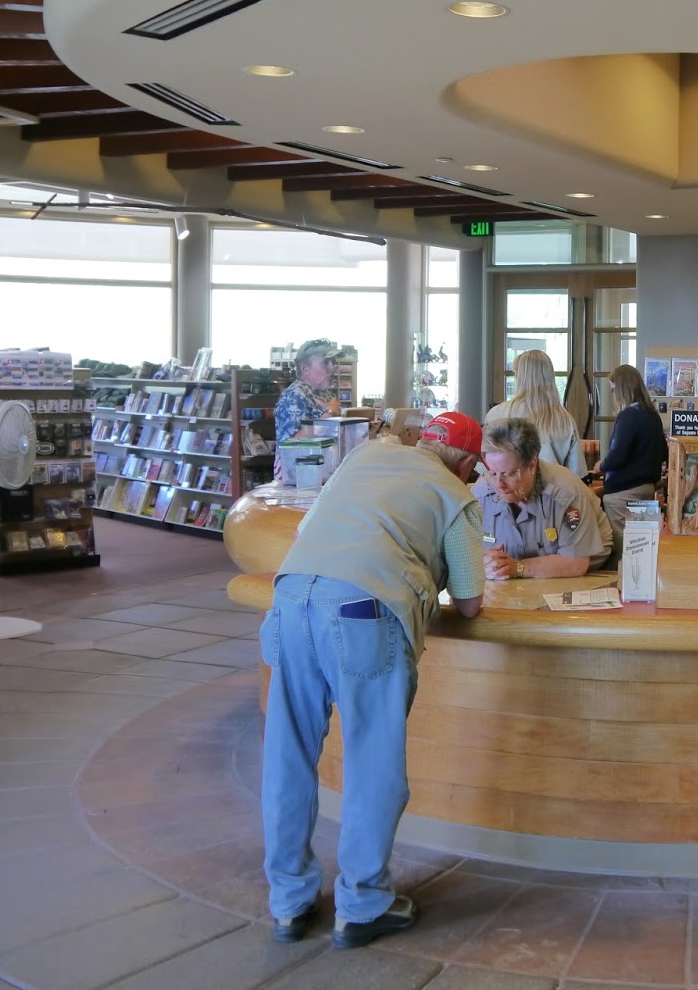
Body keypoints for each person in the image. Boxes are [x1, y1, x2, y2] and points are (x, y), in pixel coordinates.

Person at [261, 411, 485, 949]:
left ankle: (288, 903)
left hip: (291, 597)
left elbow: (312, 527)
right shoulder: (456, 497)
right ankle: (362, 903)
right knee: (372, 761)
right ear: (470, 464)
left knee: (286, 755)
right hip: (364, 611)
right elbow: (473, 604)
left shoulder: (363, 457)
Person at [478, 418, 609, 579]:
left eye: (509, 474)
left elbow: (576, 563)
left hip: (580, 578)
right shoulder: (480, 494)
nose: (499, 484)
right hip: (507, 585)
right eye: (492, 473)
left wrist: (517, 568)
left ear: (532, 465)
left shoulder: (566, 493)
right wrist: (485, 561)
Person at [596, 364, 669, 557]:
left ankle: (624, 587)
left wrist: (601, 465)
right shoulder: (652, 415)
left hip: (622, 494)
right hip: (646, 490)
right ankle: (644, 587)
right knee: (643, 550)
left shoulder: (628, 415)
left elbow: (618, 454)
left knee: (624, 552)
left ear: (621, 388)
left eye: (613, 390)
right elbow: (663, 452)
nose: (612, 395)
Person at [484, 349, 587, 478]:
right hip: (553, 493)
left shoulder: (497, 413)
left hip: (506, 492)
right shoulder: (564, 419)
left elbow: (485, 466)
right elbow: (577, 472)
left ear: (520, 377)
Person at [274, 339, 340, 481]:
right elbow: (291, 446)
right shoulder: (294, 396)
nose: (332, 368)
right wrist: (330, 414)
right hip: (299, 479)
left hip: (320, 475)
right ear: (304, 368)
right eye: (325, 363)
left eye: (333, 363)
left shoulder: (324, 393)